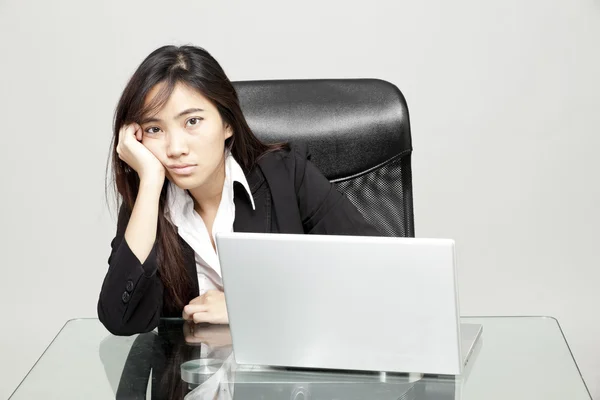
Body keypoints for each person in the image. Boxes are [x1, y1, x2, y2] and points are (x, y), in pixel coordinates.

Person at [98, 45, 380, 336]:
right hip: (192, 379)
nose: (176, 149)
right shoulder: (148, 205)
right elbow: (121, 320)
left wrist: (245, 307)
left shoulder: (287, 177)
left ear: (228, 123)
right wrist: (150, 182)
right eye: (155, 130)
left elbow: (375, 277)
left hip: (289, 376)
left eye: (192, 122)